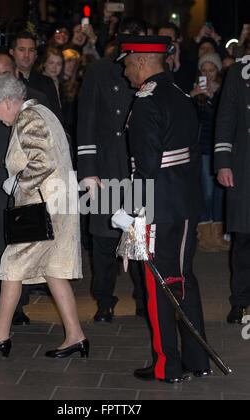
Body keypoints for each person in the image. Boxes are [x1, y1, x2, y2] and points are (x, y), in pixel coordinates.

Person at [0, 74, 87, 359]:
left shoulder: (28, 118)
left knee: (10, 265)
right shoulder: (43, 111)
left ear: (7, 101)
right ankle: (75, 336)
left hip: (39, 209)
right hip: (56, 206)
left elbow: (42, 162)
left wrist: (18, 182)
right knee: (54, 270)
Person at [113, 35, 210, 383]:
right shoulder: (181, 96)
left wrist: (133, 211)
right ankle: (198, 360)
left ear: (141, 62)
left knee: (157, 284)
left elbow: (146, 165)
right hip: (184, 202)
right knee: (184, 279)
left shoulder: (145, 100)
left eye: (127, 64)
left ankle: (166, 365)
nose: (125, 72)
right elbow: (192, 156)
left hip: (156, 206)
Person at [0, 53, 52, 328]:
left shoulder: (32, 102)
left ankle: (17, 307)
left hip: (21, 181)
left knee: (20, 244)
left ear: (15, 73)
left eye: (3, 74)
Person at [77, 17, 148, 323]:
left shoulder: (153, 72)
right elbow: (87, 123)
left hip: (138, 167)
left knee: (141, 238)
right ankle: (104, 300)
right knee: (104, 241)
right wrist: (88, 171)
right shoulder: (100, 71)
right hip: (106, 169)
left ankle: (145, 299)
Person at [214, 60, 250, 324]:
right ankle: (240, 301)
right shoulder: (239, 71)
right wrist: (223, 163)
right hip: (244, 165)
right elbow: (225, 117)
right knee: (244, 240)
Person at [190, 52, 230, 252]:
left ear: (217, 71)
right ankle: (205, 235)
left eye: (211, 70)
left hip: (219, 148)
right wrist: (193, 96)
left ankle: (219, 234)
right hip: (203, 148)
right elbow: (187, 121)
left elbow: (224, 118)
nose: (208, 74)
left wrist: (213, 99)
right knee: (206, 191)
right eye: (204, 70)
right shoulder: (196, 93)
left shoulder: (224, 91)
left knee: (219, 192)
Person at [9, 31, 63, 123]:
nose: (26, 55)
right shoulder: (6, 82)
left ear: (35, 55)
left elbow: (56, 117)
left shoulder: (47, 82)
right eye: (21, 49)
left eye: (31, 50)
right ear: (12, 52)